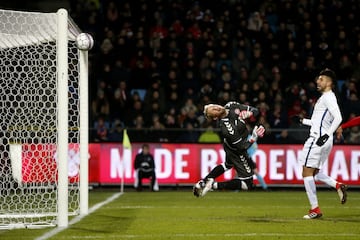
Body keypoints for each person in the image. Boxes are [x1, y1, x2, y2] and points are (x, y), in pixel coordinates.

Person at [299, 68, 347, 219]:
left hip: (317, 139)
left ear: (329, 82)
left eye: (321, 79)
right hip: (323, 139)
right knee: (315, 172)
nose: (317, 81)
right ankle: (337, 185)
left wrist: (326, 135)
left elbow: (338, 117)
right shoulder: (326, 98)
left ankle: (315, 209)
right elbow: (318, 122)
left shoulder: (328, 97)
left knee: (306, 172)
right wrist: (302, 121)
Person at [193, 101, 265, 197]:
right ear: (215, 117)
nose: (216, 108)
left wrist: (250, 113)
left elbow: (256, 110)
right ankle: (213, 186)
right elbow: (241, 147)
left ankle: (204, 181)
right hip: (236, 150)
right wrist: (253, 138)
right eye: (213, 111)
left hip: (232, 145)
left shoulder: (231, 105)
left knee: (227, 165)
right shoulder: (227, 127)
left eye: (214, 106)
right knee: (248, 184)